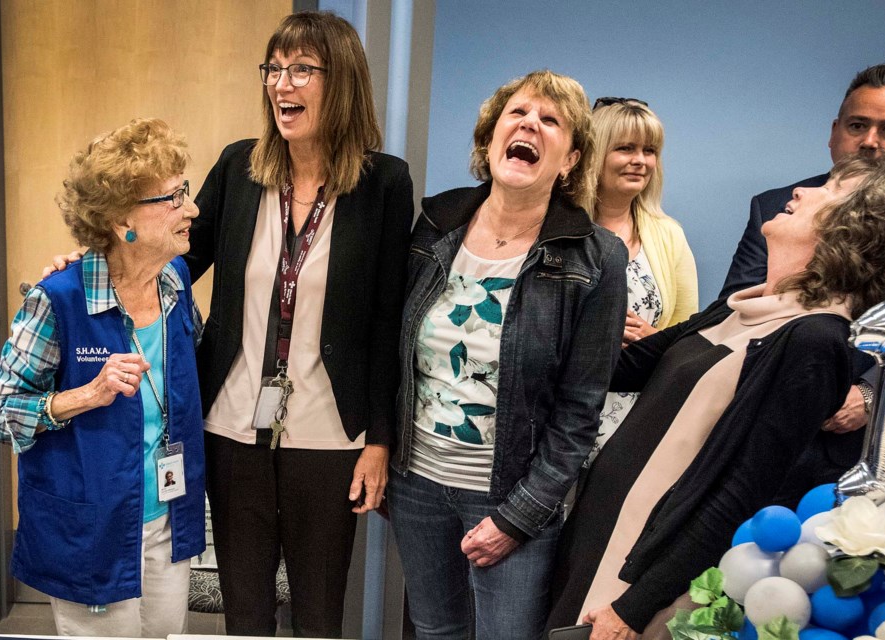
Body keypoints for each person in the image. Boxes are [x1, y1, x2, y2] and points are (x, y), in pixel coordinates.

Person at [547, 154, 885, 640]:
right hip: (602, 526)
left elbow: (739, 496)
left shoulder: (814, 341)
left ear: (851, 231)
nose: (800, 191)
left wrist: (633, 608)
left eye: (827, 192)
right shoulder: (743, 304)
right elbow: (621, 369)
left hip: (641, 563)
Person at [186, 12, 413, 638]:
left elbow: (388, 321)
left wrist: (380, 440)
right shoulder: (239, 168)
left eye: (301, 70)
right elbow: (175, 258)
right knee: (246, 614)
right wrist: (102, 252)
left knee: (317, 616)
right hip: (231, 423)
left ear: (341, 82)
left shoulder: (383, 182)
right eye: (274, 69)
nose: (282, 85)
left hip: (330, 431)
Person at [389, 70, 628, 640]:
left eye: (551, 121)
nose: (530, 125)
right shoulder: (435, 225)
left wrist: (519, 516)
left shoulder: (596, 258)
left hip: (513, 495)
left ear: (570, 160)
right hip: (417, 483)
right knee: (434, 632)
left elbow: (579, 414)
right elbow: (392, 356)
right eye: (517, 114)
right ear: (490, 137)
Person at [0, 118, 205, 637]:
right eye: (172, 198)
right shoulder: (58, 298)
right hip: (92, 529)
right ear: (122, 217)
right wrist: (84, 395)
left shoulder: (175, 279)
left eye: (185, 192)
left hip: (168, 520)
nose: (190, 209)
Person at [721, 61, 885, 451]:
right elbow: (738, 304)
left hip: (872, 437)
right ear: (835, 132)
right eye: (857, 125)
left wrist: (871, 392)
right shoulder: (774, 205)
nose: (870, 141)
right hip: (765, 411)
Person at [585, 97, 697, 463]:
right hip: (564, 417)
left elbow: (690, 334)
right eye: (625, 148)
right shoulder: (560, 231)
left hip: (640, 422)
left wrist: (654, 341)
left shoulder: (669, 235)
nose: (641, 161)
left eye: (650, 151)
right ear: (595, 154)